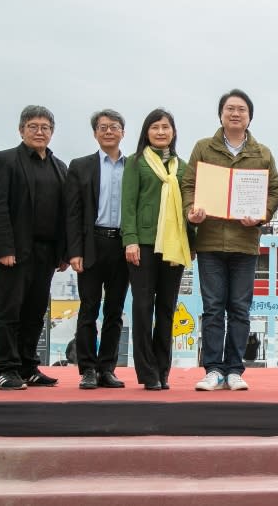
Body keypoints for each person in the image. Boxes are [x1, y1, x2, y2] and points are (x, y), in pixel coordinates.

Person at [181, 89, 278, 391]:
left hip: (245, 242)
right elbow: (188, 184)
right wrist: (191, 212)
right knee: (213, 307)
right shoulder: (203, 148)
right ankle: (213, 369)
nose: (235, 114)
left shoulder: (262, 153)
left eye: (241, 109)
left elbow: (273, 190)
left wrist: (262, 214)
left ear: (250, 116)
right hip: (210, 241)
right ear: (221, 114)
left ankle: (235, 369)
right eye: (229, 109)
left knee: (239, 308)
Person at [0, 105, 68, 390]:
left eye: (45, 127)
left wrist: (63, 254)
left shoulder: (60, 167)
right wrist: (3, 248)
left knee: (35, 312)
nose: (39, 131)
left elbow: (63, 214)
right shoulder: (5, 161)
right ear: (21, 130)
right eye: (33, 126)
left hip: (46, 253)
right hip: (14, 252)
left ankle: (28, 367)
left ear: (52, 132)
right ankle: (5, 370)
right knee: (9, 311)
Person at [122, 109, 193, 391]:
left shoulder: (183, 167)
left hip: (174, 245)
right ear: (146, 132)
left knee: (166, 308)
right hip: (144, 244)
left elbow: (188, 208)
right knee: (142, 307)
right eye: (155, 127)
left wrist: (191, 243)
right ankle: (147, 371)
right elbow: (128, 204)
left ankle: (163, 370)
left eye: (166, 127)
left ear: (173, 132)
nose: (161, 132)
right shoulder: (135, 162)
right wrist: (130, 239)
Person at [65, 109, 130, 390]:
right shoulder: (80, 166)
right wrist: (74, 251)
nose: (108, 131)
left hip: (123, 244)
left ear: (122, 133)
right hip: (92, 243)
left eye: (114, 127)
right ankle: (87, 369)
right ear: (95, 133)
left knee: (115, 310)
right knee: (88, 308)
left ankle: (108, 368)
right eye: (102, 127)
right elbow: (73, 213)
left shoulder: (134, 166)